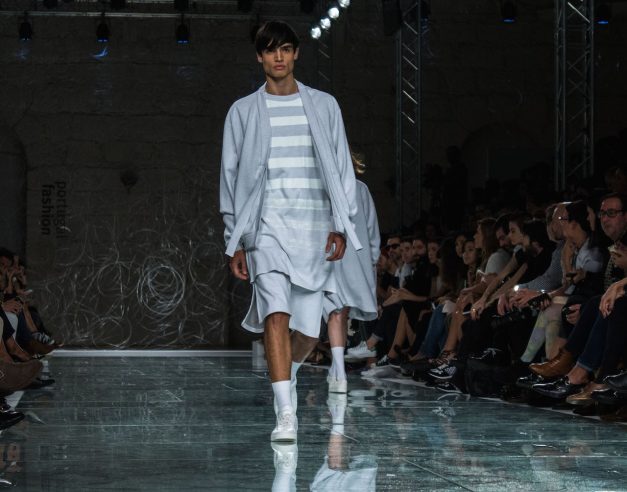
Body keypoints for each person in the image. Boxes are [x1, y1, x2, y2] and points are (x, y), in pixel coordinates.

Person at [219, 21, 361, 443]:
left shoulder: (324, 105)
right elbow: (230, 176)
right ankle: (285, 412)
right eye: (270, 50)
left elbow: (341, 167)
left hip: (314, 229)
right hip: (265, 229)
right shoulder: (242, 111)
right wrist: (236, 238)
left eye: (285, 48)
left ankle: (289, 373)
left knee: (309, 332)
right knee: (275, 313)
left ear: (296, 53)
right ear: (259, 56)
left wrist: (341, 223)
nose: (278, 57)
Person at [324, 154, 380, 394]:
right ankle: (337, 371)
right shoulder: (360, 188)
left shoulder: (321, 188)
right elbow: (372, 228)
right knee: (340, 313)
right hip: (354, 259)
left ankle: (338, 370)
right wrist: (373, 260)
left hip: (328, 257)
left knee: (334, 313)